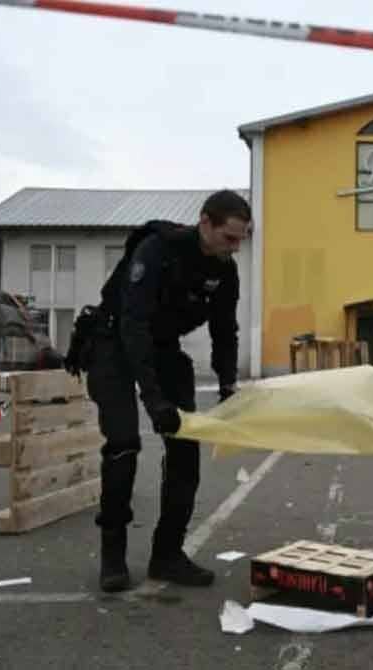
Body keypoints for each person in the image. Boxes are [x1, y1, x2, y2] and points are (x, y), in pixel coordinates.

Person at [74, 189, 251, 593]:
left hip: (163, 345)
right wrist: (154, 400)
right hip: (114, 341)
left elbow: (225, 330)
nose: (235, 247)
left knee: (185, 443)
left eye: (241, 239)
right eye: (229, 237)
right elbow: (132, 325)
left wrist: (228, 387)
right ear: (205, 222)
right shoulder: (157, 250)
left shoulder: (225, 270)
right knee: (123, 443)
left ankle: (167, 555)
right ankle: (113, 556)